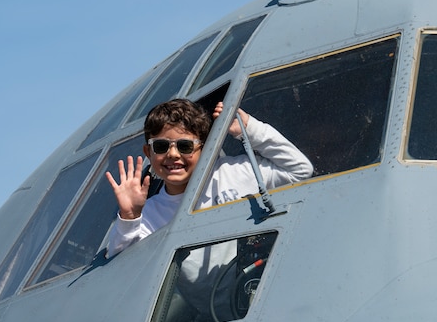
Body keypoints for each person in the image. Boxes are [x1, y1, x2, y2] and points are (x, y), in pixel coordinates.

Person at [105, 98, 313, 258]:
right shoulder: (149, 213)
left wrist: (248, 127)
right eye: (161, 146)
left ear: (204, 148)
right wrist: (130, 216)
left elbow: (300, 169)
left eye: (185, 146)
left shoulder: (234, 171)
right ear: (148, 153)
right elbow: (120, 260)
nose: (173, 155)